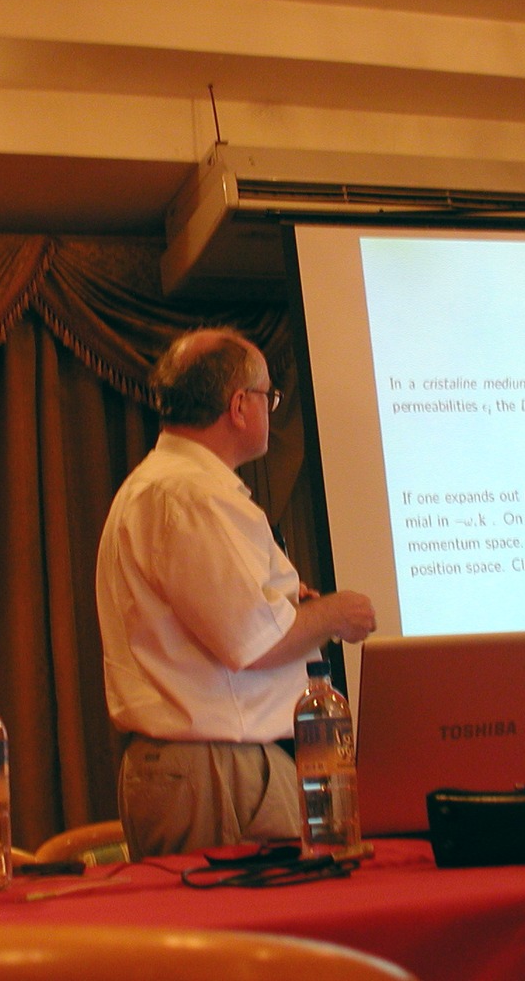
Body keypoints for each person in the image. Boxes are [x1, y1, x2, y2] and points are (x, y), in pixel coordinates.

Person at [95, 326, 377, 860]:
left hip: (203, 764)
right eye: (269, 397)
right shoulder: (192, 493)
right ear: (240, 406)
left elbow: (235, 622)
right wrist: (337, 614)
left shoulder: (163, 484)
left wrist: (290, 609)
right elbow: (254, 641)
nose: (271, 408)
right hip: (212, 767)